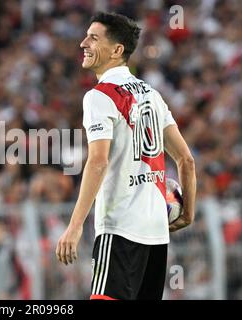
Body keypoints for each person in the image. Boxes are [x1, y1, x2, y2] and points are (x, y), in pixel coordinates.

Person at [55, 12, 196, 300]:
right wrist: (188, 212)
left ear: (117, 50)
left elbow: (98, 161)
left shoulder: (99, 96)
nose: (83, 43)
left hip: (120, 229)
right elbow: (186, 160)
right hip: (156, 232)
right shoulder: (153, 95)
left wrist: (75, 224)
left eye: (93, 38)